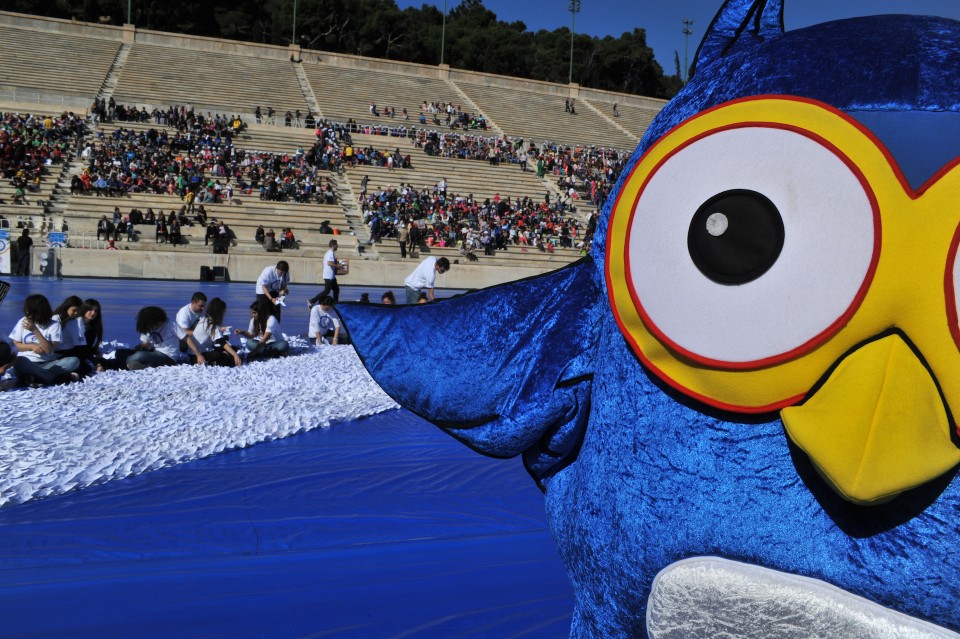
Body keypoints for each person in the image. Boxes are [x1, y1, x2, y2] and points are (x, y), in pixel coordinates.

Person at [9, 294, 80, 386]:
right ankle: (55, 378)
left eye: (29, 311)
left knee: (74, 361)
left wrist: (35, 330)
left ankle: (34, 377)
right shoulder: (23, 321)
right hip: (27, 362)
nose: (26, 313)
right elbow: (14, 345)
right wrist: (31, 346)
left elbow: (49, 350)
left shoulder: (54, 325)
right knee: (19, 361)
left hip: (47, 363)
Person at [192, 297, 241, 367]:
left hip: (201, 351)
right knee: (221, 355)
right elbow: (221, 342)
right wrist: (235, 355)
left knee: (233, 348)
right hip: (197, 355)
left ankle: (225, 355)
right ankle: (222, 358)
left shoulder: (205, 318)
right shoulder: (210, 323)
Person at [175, 292, 207, 364]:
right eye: (201, 306)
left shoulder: (201, 311)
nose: (203, 308)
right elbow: (183, 332)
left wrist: (220, 329)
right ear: (193, 303)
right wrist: (200, 333)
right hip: (182, 340)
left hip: (194, 335)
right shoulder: (184, 313)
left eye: (204, 306)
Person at [308, 240, 340, 306]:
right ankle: (312, 301)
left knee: (336, 289)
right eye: (336, 245)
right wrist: (337, 265)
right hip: (329, 276)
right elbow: (329, 263)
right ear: (333, 245)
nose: (337, 246)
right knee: (326, 291)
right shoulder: (330, 253)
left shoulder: (329, 253)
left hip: (331, 276)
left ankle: (335, 303)